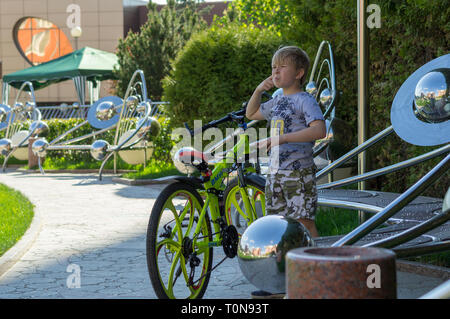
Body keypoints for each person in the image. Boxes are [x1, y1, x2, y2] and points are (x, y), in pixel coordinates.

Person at [245, 45, 326, 299]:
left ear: (299, 72)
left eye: (282, 67)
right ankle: (281, 284)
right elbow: (252, 113)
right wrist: (260, 89)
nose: (276, 71)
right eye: (273, 67)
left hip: (299, 174)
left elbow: (319, 131)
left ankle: (320, 275)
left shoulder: (305, 100)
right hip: (276, 174)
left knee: (304, 222)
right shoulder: (277, 99)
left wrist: (281, 139)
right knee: (278, 227)